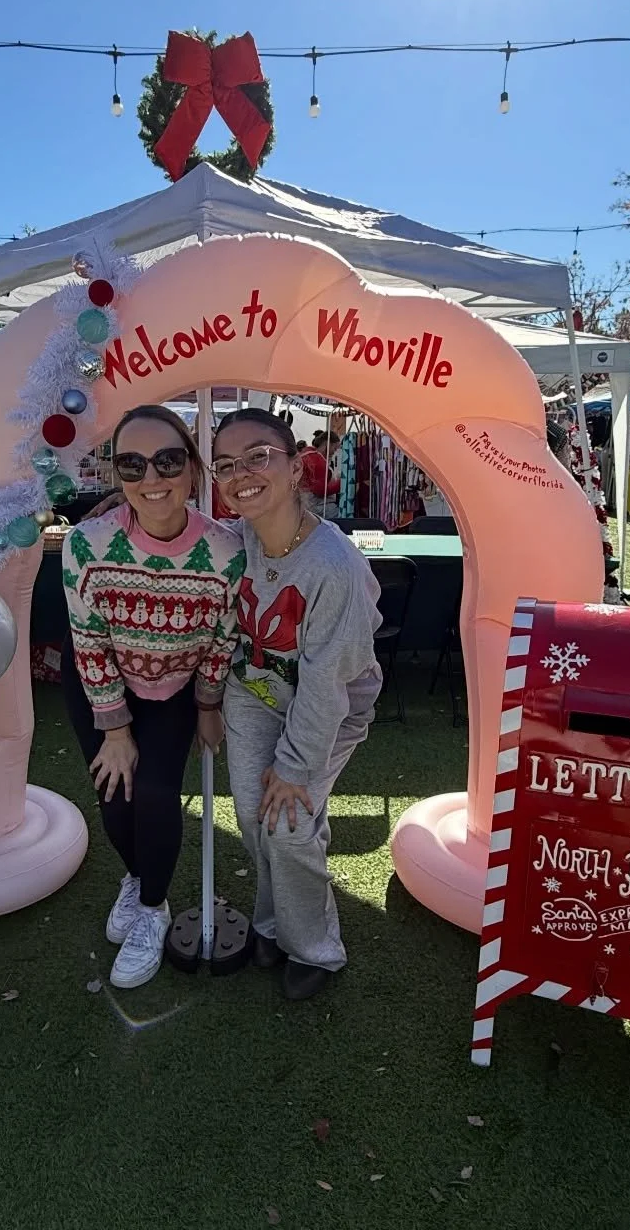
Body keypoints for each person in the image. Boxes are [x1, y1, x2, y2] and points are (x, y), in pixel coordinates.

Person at [61, 405, 244, 989]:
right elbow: (87, 639)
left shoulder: (226, 551)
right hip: (98, 678)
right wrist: (115, 730)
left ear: (193, 468)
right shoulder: (85, 545)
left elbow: (222, 639)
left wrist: (209, 707)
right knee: (114, 795)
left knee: (158, 794)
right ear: (116, 474)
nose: (151, 478)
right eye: (132, 464)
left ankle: (152, 908)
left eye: (167, 460)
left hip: (174, 687)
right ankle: (138, 879)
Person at [212, 408, 382, 1001]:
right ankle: (270, 923)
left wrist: (293, 764)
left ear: (295, 468)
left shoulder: (334, 566)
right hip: (252, 695)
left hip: (328, 708)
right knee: (257, 820)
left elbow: (328, 684)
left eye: (258, 456)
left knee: (286, 826)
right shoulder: (234, 540)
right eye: (227, 464)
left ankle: (315, 948)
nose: (241, 474)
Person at [300, 430, 341, 502]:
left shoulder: (307, 453)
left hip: (301, 499)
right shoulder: (318, 461)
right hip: (311, 503)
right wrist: (341, 483)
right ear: (327, 444)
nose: (334, 452)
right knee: (339, 513)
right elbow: (321, 491)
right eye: (334, 448)